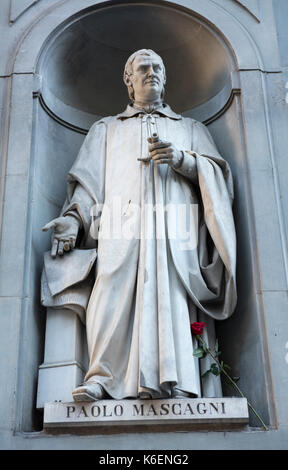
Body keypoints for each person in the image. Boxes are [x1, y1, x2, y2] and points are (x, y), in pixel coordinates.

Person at [42, 49, 237, 402]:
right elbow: (88, 186)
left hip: (174, 235)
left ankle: (178, 382)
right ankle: (100, 377)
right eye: (143, 68)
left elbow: (220, 179)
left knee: (172, 298)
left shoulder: (191, 128)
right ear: (128, 80)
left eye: (158, 67)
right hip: (118, 229)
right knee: (110, 293)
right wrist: (73, 221)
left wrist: (184, 160)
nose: (152, 73)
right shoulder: (104, 130)